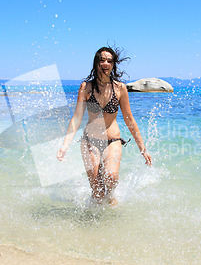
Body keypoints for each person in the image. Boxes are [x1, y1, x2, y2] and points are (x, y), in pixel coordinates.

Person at [57, 46, 152, 204]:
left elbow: (130, 120)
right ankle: (97, 222)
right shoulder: (86, 88)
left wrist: (143, 148)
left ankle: (113, 206)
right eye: (102, 60)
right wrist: (64, 145)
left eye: (109, 60)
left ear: (113, 64)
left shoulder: (120, 88)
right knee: (98, 191)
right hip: (90, 141)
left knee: (111, 178)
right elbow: (77, 117)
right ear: (96, 63)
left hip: (112, 141)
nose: (105, 63)